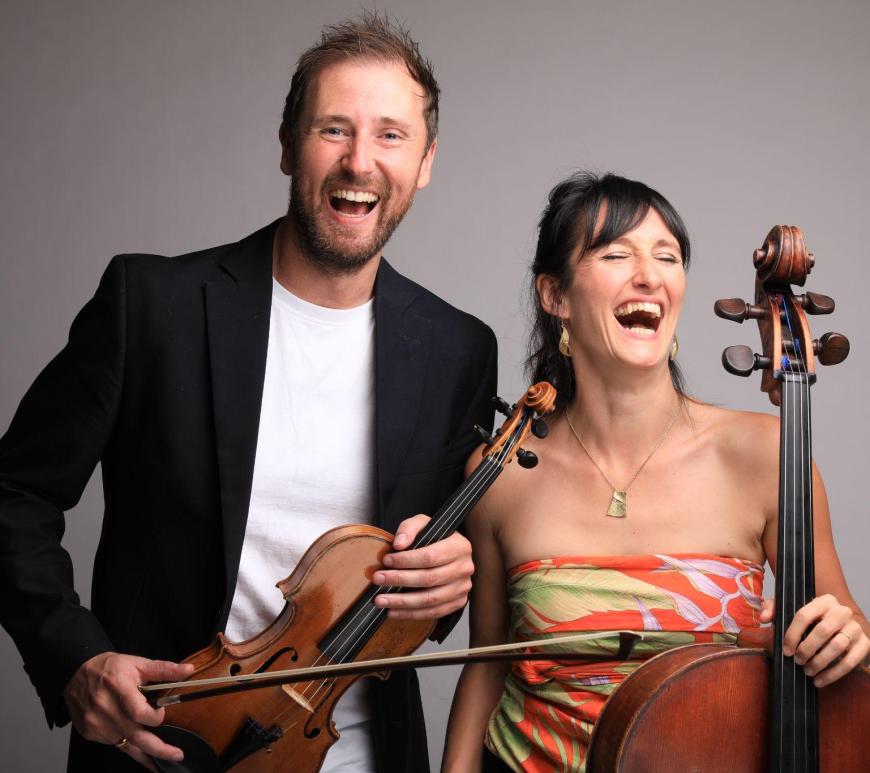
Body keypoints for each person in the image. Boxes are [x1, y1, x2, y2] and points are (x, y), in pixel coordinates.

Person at [0, 13, 496, 773]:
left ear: (425, 161)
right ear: (289, 144)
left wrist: (446, 586)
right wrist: (75, 657)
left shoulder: (460, 349)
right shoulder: (150, 305)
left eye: (391, 136)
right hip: (161, 749)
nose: (360, 161)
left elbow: (426, 592)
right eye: (334, 129)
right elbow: (14, 494)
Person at [441, 172, 869, 772]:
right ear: (555, 295)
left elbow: (853, 640)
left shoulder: (766, 453)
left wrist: (847, 638)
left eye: (666, 257)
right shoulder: (502, 471)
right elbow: (486, 665)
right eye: (615, 254)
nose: (649, 276)